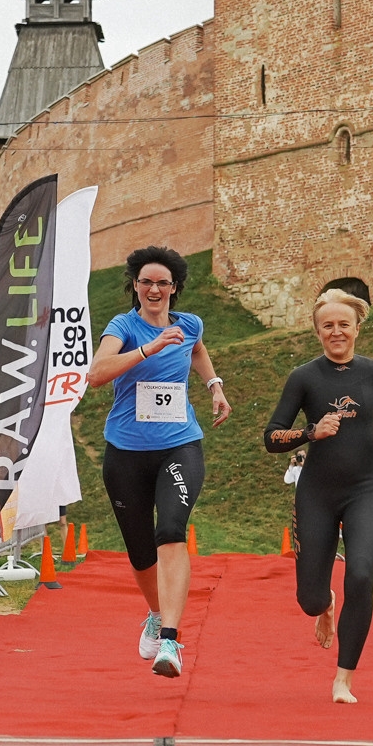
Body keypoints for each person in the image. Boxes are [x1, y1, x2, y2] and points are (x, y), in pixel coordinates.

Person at [86, 245, 230, 677]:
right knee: (139, 550)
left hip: (178, 446)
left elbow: (197, 350)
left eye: (162, 282)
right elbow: (96, 374)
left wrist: (214, 385)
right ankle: (155, 612)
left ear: (174, 288)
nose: (153, 288)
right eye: (146, 281)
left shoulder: (189, 324)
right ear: (135, 285)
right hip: (126, 452)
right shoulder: (123, 326)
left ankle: (170, 639)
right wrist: (148, 349)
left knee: (170, 530)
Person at [264, 287, 373, 703]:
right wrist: (311, 432)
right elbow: (271, 436)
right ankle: (323, 604)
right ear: (317, 331)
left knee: (362, 577)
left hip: (365, 488)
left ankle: (343, 679)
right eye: (327, 326)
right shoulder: (304, 378)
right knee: (309, 599)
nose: (336, 332)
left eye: (343, 324)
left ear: (357, 327)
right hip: (317, 493)